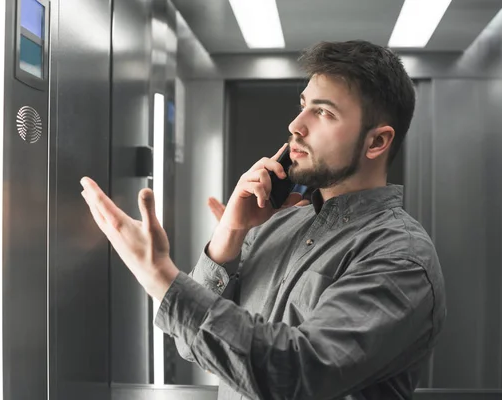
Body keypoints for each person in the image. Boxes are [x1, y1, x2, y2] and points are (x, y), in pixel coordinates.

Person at [80, 40, 446, 399]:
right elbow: (194, 346)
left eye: (324, 113)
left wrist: (159, 275)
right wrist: (230, 236)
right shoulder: (275, 226)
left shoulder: (401, 257)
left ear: (377, 142)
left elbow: (295, 374)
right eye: (303, 106)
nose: (296, 125)